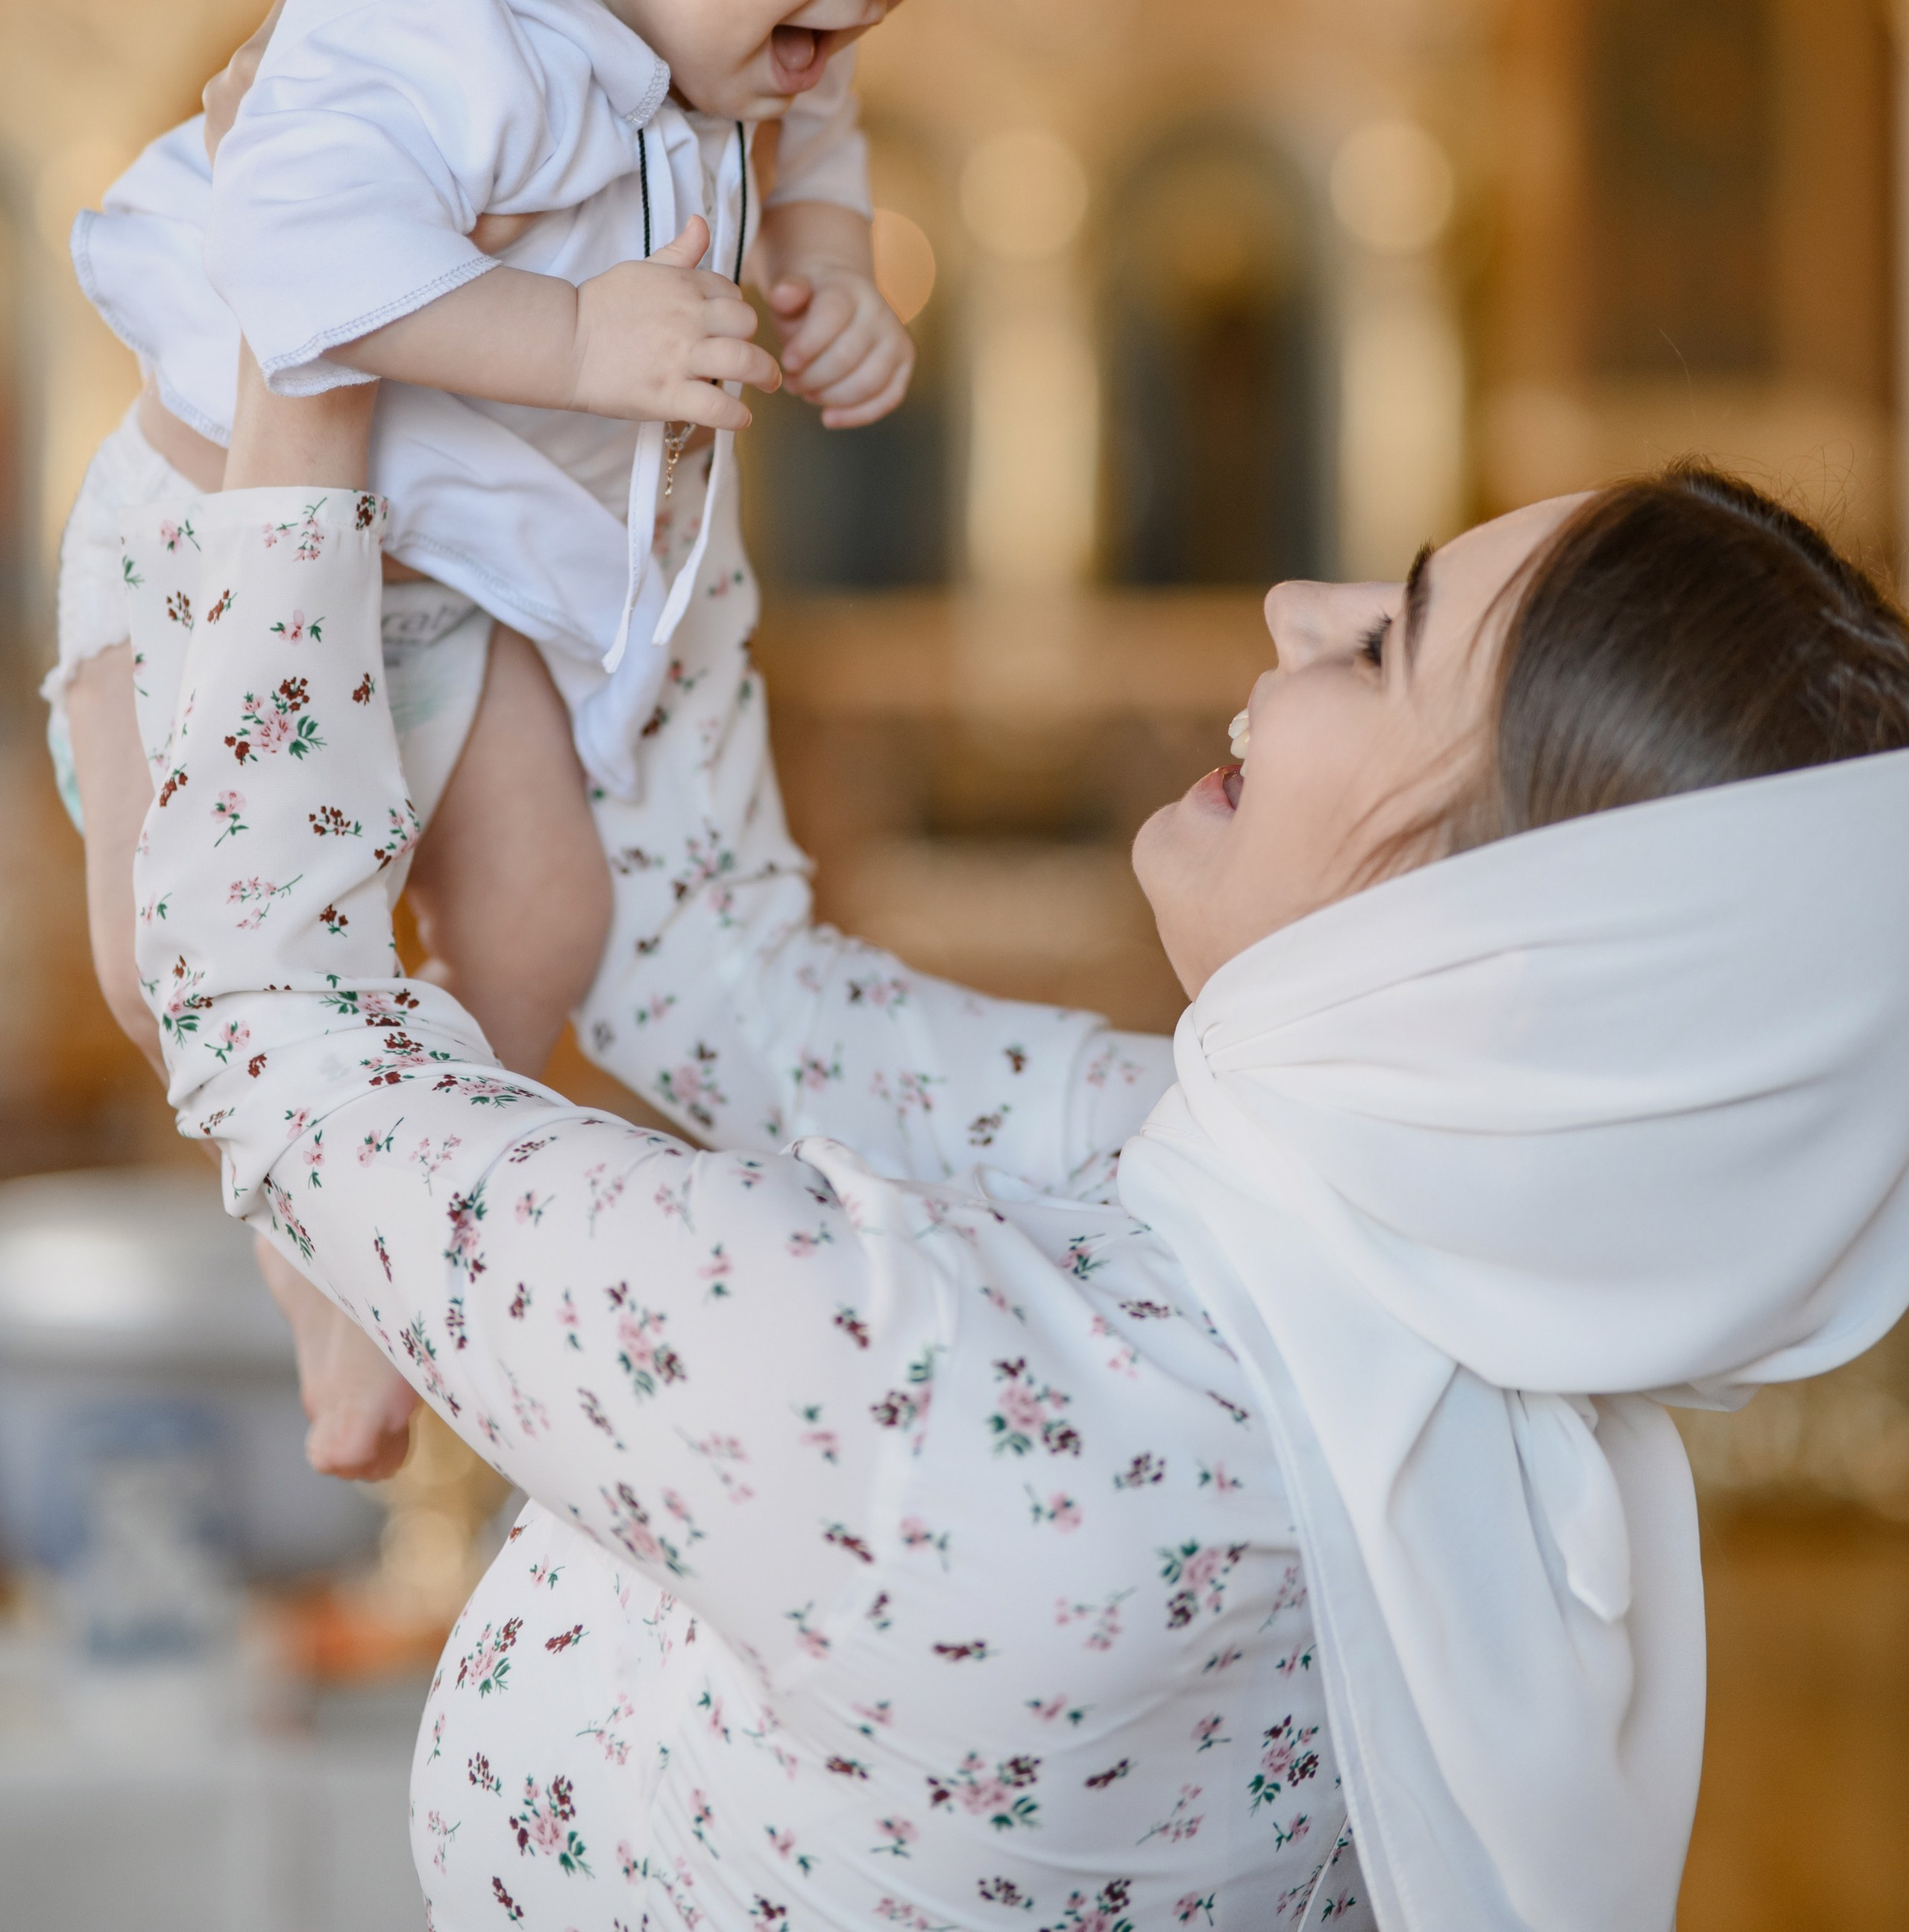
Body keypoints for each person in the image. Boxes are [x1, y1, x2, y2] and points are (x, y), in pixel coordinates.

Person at [130, 351, 1909, 1931]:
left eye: (1383, 645)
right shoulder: (1373, 1284)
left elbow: (260, 1009)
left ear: (1493, 954)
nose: (1294, 602)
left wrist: (306, 353)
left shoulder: (935, 1404)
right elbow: (710, 974)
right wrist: (662, 339)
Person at [55, 0, 981, 1472]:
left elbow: (811, 151)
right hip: (215, 545)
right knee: (173, 948)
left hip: (459, 578)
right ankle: (323, 1262)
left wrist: (828, 278)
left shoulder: (754, 30)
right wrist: (569, 335)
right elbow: (296, 254)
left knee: (544, 916)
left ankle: (418, 1229)